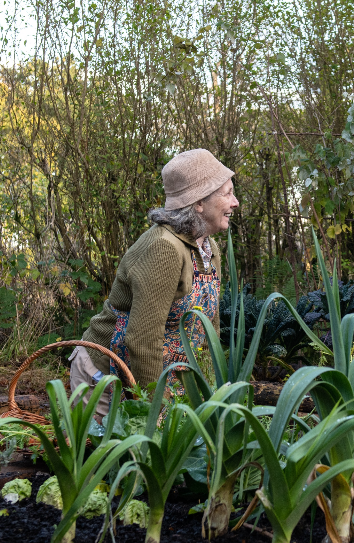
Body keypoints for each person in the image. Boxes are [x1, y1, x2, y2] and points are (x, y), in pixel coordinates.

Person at [68, 149, 239, 418]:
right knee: (109, 458)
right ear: (198, 203)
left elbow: (209, 326)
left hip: (162, 380)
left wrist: (208, 387)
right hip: (108, 376)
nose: (235, 202)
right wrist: (153, 409)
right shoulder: (163, 248)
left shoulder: (209, 248)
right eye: (227, 193)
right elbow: (143, 338)